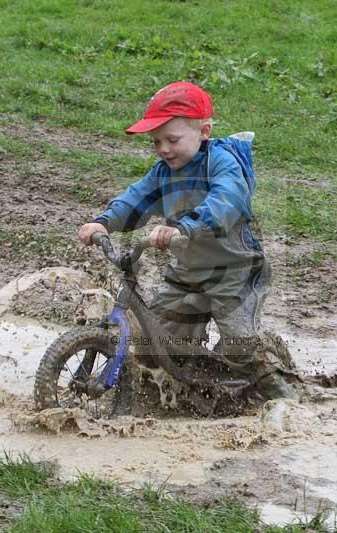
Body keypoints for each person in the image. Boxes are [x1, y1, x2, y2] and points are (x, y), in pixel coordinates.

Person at [78, 81, 297, 400]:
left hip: (234, 272)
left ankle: (283, 396)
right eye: (156, 141)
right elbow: (135, 198)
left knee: (239, 345)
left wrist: (184, 226)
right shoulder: (163, 172)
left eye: (172, 140)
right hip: (186, 275)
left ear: (204, 132)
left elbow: (226, 200)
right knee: (153, 345)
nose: (163, 149)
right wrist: (104, 221)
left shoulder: (222, 163)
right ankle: (187, 391)